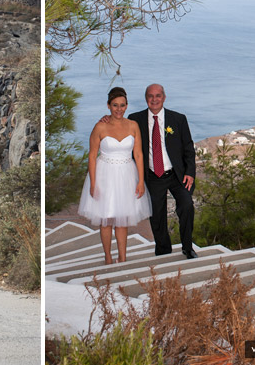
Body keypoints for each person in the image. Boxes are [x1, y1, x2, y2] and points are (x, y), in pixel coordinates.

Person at [78, 87, 151, 264]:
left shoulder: (133, 126)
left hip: (127, 173)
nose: (119, 109)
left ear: (127, 106)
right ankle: (108, 256)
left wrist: (141, 181)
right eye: (115, 105)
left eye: (122, 105)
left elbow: (139, 154)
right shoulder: (100, 126)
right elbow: (92, 156)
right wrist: (93, 183)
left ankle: (123, 257)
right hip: (105, 175)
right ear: (109, 106)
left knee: (122, 219)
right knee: (106, 219)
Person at [128, 84, 197, 258]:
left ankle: (187, 248)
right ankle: (163, 250)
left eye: (158, 96)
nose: (154, 99)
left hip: (176, 174)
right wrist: (105, 120)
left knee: (187, 206)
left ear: (164, 98)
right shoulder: (135, 119)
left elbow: (188, 148)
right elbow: (119, 128)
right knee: (157, 216)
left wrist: (190, 172)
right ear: (146, 98)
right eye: (150, 96)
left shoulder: (178, 119)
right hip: (152, 175)